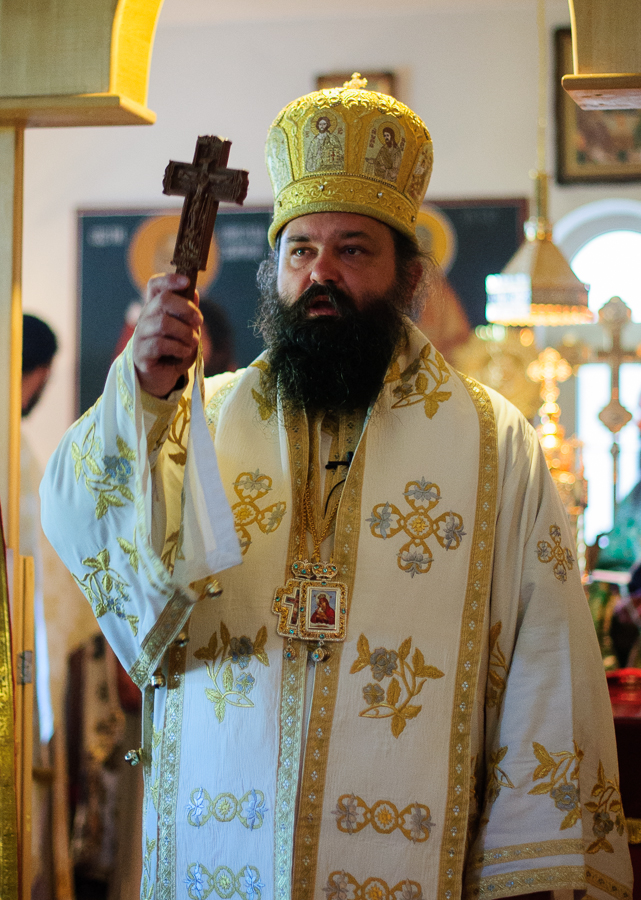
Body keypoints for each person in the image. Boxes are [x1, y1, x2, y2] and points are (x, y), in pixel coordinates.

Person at [41, 75, 632, 900]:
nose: (320, 271)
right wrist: (140, 394)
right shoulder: (194, 421)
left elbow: (547, 671)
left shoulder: (493, 444)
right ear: (276, 270)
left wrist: (525, 867)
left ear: (407, 275)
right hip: (225, 857)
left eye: (352, 250)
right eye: (300, 250)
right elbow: (79, 509)